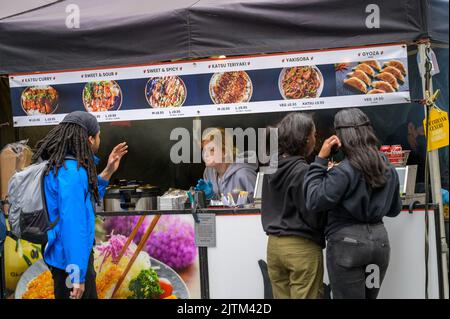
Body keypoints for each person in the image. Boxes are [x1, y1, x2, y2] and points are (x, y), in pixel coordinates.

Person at [304, 108, 402, 299]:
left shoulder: (343, 171)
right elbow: (394, 210)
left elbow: (314, 200)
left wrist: (320, 161)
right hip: (379, 246)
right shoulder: (388, 168)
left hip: (347, 246)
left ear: (341, 137)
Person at [32, 111, 128, 299]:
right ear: (90, 140)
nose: (101, 139)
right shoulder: (72, 174)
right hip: (70, 263)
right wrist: (77, 275)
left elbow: (85, 204)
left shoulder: (66, 168)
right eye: (99, 135)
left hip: (68, 259)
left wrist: (107, 172)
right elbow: (73, 225)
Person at [261, 113, 326, 299]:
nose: (316, 138)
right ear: (305, 139)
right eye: (314, 134)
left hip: (274, 247)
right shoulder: (303, 171)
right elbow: (313, 214)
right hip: (301, 248)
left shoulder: (271, 167)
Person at [195, 128, 257, 203]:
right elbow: (220, 204)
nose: (206, 154)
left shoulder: (243, 173)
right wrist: (211, 196)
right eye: (204, 150)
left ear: (224, 152)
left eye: (211, 150)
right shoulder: (208, 173)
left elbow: (259, 203)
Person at [386, 106, 426, 189]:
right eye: (423, 131)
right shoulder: (392, 149)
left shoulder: (421, 151)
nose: (425, 137)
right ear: (411, 127)